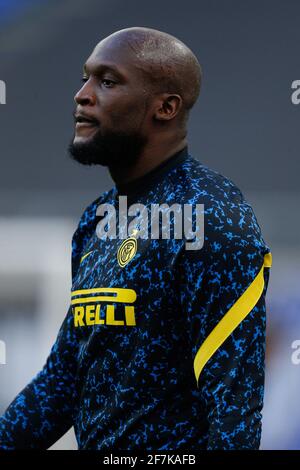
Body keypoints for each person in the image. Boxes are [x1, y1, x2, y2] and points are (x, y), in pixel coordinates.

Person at [0, 26, 271, 450]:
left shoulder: (211, 219)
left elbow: (234, 412)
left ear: (165, 107)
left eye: (107, 82)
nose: (82, 95)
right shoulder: (98, 220)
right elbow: (63, 382)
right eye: (85, 78)